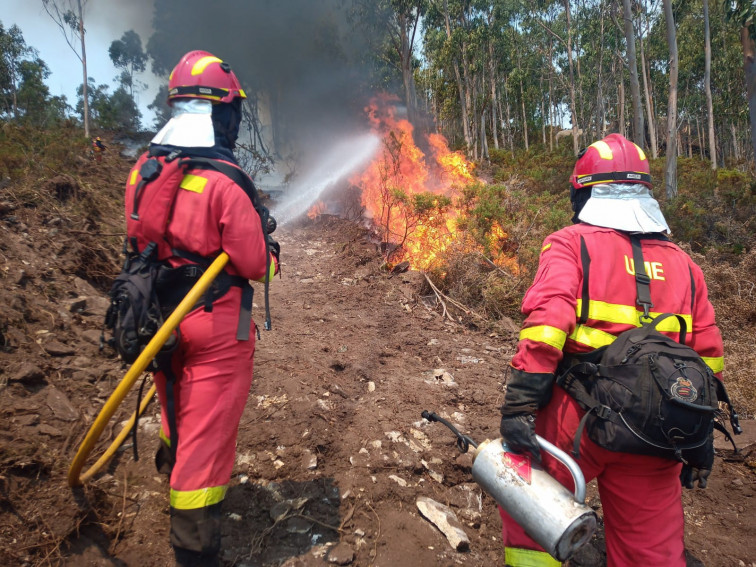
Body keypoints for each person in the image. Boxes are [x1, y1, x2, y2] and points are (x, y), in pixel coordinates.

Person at [498, 133, 725, 567]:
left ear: (583, 192)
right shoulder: (685, 265)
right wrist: (699, 437)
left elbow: (547, 325)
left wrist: (520, 405)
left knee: (531, 517)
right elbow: (708, 358)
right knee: (651, 550)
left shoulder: (570, 244)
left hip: (576, 423)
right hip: (656, 430)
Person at [124, 50, 278, 567]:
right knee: (206, 442)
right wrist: (269, 246)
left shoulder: (143, 171)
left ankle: (172, 475)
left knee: (174, 408)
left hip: (156, 320)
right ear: (221, 112)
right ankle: (194, 550)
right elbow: (254, 263)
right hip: (215, 327)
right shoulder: (226, 179)